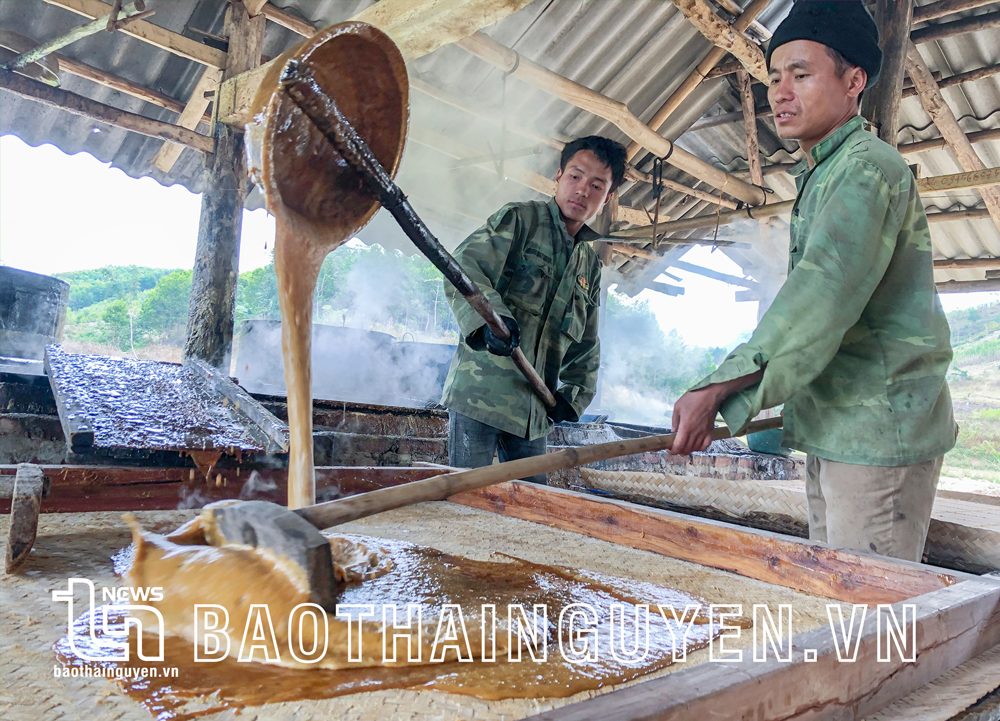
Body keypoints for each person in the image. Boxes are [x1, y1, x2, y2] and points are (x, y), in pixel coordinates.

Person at [669, 0, 956, 562]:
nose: (779, 91)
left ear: (855, 82)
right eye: (775, 77)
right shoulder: (825, 173)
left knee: (868, 621)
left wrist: (721, 387)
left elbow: (822, 293)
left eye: (801, 74)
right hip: (839, 426)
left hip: (876, 432)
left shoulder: (865, 169)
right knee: (836, 602)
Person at [441, 135, 627, 484]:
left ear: (608, 197)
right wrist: (488, 323)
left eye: (596, 185)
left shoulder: (589, 264)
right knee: (465, 506)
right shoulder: (520, 220)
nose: (582, 190)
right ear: (558, 176)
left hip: (534, 415)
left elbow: (588, 340)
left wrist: (573, 396)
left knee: (531, 514)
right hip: (480, 398)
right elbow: (464, 268)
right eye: (575, 176)